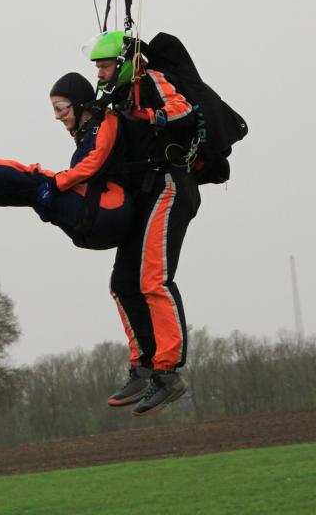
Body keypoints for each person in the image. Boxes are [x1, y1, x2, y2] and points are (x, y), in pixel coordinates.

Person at [88, 30, 201, 417]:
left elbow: (184, 112)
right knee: (122, 283)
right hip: (140, 192)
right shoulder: (113, 96)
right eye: (97, 67)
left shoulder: (151, 81)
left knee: (153, 279)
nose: (99, 73)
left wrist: (144, 115)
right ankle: (144, 366)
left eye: (104, 66)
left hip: (169, 184)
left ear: (122, 64)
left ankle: (168, 373)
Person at [0, 73, 132, 251]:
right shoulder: (86, 132)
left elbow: (94, 162)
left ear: (78, 103)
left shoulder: (105, 121)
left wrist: (55, 184)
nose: (57, 116)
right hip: (96, 221)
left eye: (60, 108)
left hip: (109, 211)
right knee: (26, 192)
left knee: (34, 177)